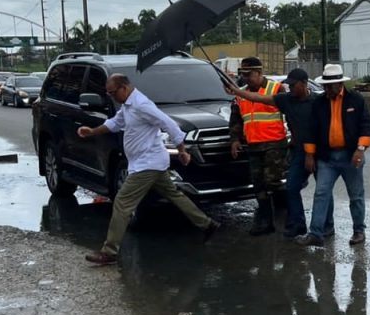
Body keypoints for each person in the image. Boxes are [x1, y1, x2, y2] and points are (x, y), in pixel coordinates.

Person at [77, 73, 219, 265]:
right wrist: (93, 131)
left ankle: (109, 251)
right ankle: (208, 224)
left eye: (112, 93)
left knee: (122, 202)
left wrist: (182, 150)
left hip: (147, 164)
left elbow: (169, 124)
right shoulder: (127, 105)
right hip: (150, 162)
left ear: (124, 88)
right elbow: (115, 123)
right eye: (108, 93)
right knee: (174, 195)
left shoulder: (142, 105)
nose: (111, 96)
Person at [225, 67, 334, 238]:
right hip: (298, 151)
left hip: (319, 152)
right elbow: (258, 97)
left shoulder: (318, 101)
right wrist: (237, 91)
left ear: (304, 84)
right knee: (291, 187)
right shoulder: (286, 100)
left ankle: (327, 225)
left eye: (293, 85)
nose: (290, 88)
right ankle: (298, 225)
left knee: (323, 190)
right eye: (288, 85)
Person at [296, 64, 370, 247]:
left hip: (350, 156)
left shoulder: (356, 100)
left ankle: (358, 231)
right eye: (325, 86)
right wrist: (309, 155)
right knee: (321, 193)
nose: (327, 89)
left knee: (356, 196)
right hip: (327, 158)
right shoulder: (319, 103)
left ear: (340, 84)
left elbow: (366, 125)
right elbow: (311, 130)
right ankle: (316, 233)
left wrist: (360, 149)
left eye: (330, 86)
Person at [229, 57, 289, 236]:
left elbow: (291, 113)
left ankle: (288, 217)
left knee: (273, 183)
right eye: (244, 75)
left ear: (259, 72)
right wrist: (235, 139)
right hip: (254, 145)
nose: (247, 78)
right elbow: (236, 119)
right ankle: (265, 221)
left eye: (250, 75)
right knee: (258, 185)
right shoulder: (240, 94)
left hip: (274, 144)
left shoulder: (276, 89)